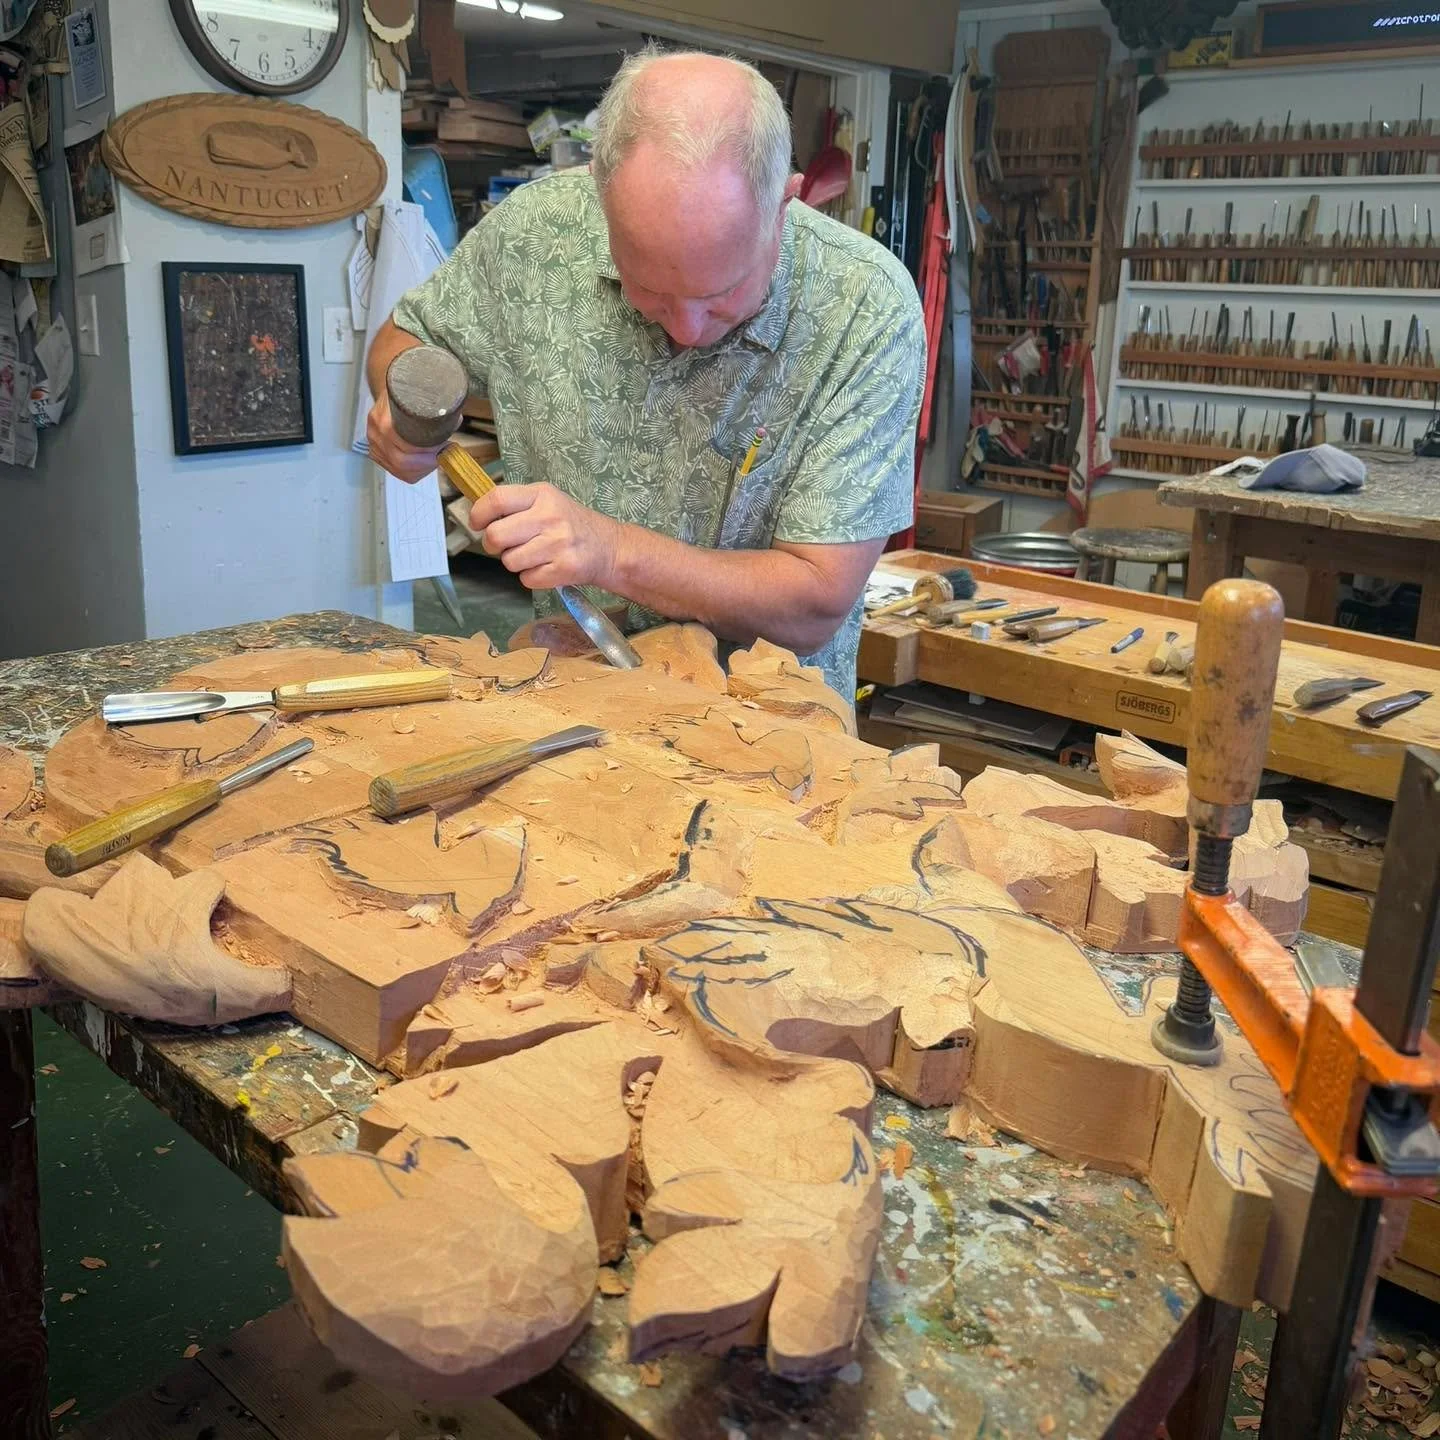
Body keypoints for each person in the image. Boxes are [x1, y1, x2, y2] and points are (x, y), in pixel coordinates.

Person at [366, 47, 925, 699]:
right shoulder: (537, 235)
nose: (686, 329)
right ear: (599, 202)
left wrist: (612, 553)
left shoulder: (863, 307)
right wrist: (410, 400)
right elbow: (411, 338)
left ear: (785, 203)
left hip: (770, 738)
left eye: (722, 294)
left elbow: (814, 602)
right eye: (650, 291)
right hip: (569, 704)